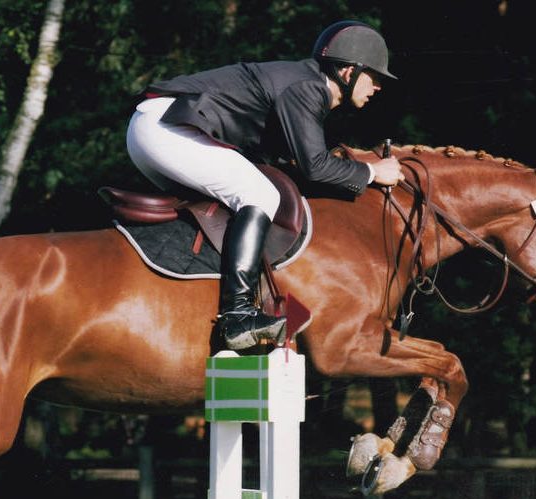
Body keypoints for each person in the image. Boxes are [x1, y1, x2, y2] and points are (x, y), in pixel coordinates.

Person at [126, 20, 404, 351]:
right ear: (348, 72)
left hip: (159, 126)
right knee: (259, 194)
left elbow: (294, 164)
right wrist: (372, 173)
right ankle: (238, 315)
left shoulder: (302, 84)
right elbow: (315, 167)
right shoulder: (307, 87)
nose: (378, 87)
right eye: (374, 76)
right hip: (166, 127)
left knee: (239, 198)